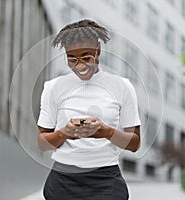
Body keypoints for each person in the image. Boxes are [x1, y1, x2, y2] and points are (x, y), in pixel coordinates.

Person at [37, 19, 141, 200]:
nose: (80, 65)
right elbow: (42, 143)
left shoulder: (122, 86)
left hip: (106, 181)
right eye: (72, 59)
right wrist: (65, 133)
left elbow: (134, 143)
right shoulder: (53, 87)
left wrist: (106, 132)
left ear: (98, 51)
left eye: (86, 57)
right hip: (63, 182)